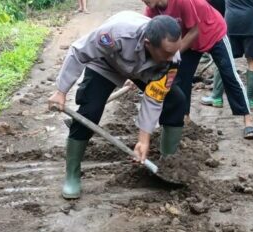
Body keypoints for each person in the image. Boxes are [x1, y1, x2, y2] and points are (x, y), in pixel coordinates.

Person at [48, 12, 186, 199]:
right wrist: (61, 91)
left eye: (174, 51)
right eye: (168, 53)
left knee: (176, 101)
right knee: (90, 111)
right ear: (148, 44)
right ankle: (72, 174)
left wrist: (143, 139)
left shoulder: (171, 59)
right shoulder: (115, 34)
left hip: (145, 71)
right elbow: (78, 52)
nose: (172, 57)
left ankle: (168, 163)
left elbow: (154, 98)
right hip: (106, 63)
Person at [142, 0, 253, 140]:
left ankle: (248, 120)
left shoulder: (181, 2)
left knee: (229, 74)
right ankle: (185, 119)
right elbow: (150, 40)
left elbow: (195, 30)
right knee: (181, 78)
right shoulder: (151, 12)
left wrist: (174, 54)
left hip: (212, 32)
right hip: (189, 41)